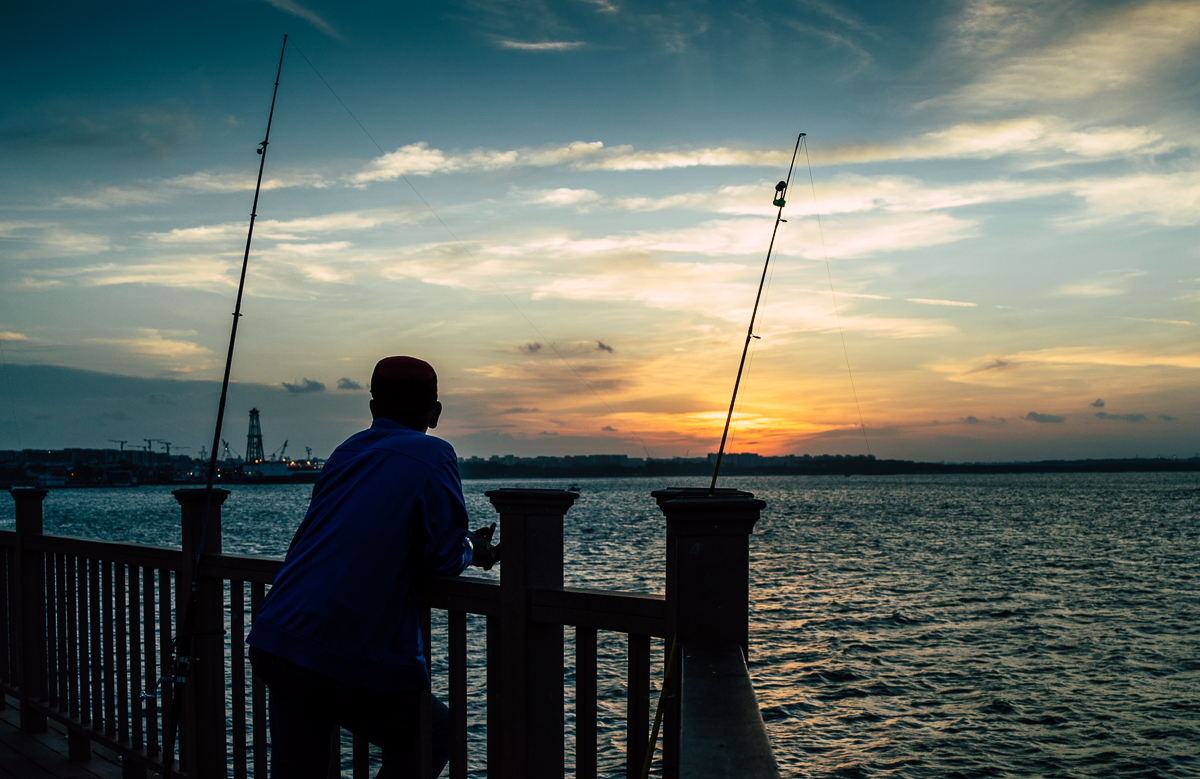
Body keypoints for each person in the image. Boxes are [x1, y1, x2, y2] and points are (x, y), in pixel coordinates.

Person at [247, 356, 498, 778]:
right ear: (435, 413)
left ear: (372, 408)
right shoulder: (435, 454)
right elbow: (441, 555)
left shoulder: (347, 451)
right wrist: (474, 549)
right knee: (436, 734)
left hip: (277, 634)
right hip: (335, 642)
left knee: (298, 770)